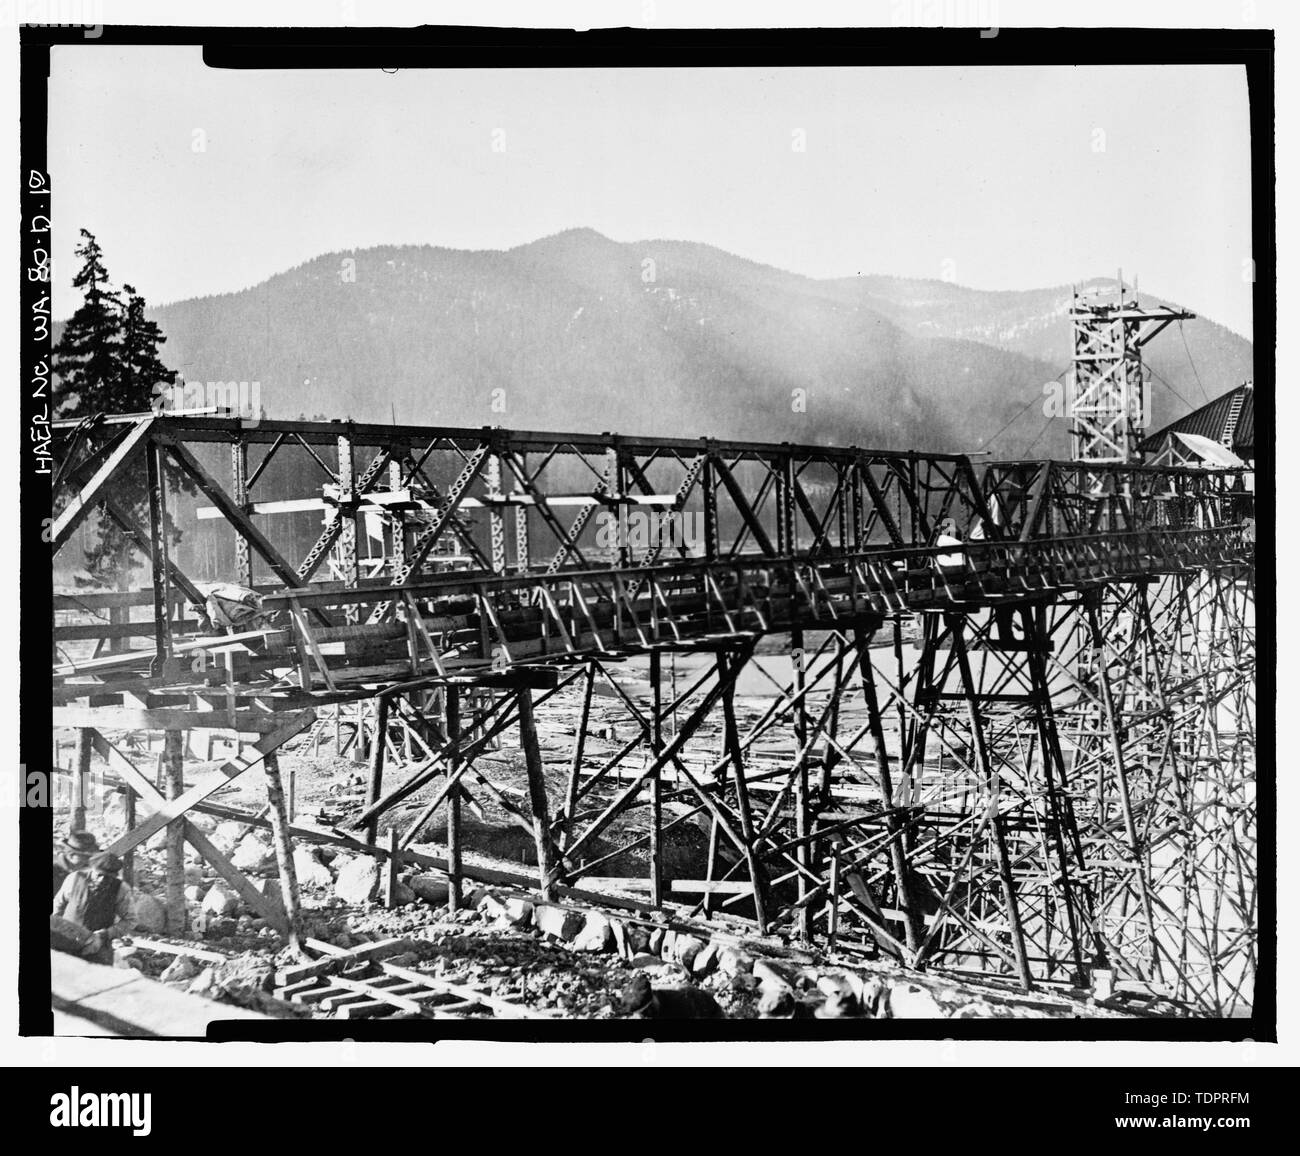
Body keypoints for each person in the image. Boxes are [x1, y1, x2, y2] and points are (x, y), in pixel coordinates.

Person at [52, 851, 134, 965]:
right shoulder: (74, 879)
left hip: (98, 945)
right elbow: (57, 906)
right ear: (92, 869)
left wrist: (106, 934)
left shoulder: (121, 889)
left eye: (107, 877)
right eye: (99, 875)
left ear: (115, 875)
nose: (101, 881)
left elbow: (130, 920)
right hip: (67, 939)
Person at [52, 830, 100, 897]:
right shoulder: (55, 875)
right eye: (87, 857)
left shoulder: (81, 869)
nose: (90, 860)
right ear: (71, 856)